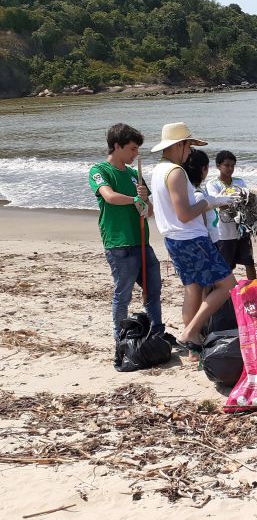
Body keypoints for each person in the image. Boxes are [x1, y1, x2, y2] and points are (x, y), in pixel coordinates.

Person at [149, 122, 237, 358]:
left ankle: (194, 350)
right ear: (178, 145)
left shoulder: (158, 170)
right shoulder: (175, 172)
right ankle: (190, 332)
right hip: (191, 239)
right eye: (188, 146)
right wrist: (209, 203)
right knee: (228, 285)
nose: (189, 152)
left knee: (193, 289)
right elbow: (185, 214)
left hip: (173, 239)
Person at [89, 123, 165, 344]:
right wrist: (135, 199)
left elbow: (149, 211)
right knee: (123, 294)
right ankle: (120, 338)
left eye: (137, 149)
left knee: (153, 290)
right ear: (117, 146)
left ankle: (156, 332)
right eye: (132, 149)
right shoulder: (100, 171)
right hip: (119, 243)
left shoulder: (134, 175)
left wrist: (145, 199)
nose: (136, 154)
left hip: (142, 241)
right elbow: (109, 196)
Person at [206, 150, 257, 280]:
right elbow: (218, 204)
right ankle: (226, 292)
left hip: (241, 230)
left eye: (232, 165)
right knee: (226, 267)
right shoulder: (213, 184)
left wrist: (238, 201)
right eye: (227, 165)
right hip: (223, 232)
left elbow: (248, 201)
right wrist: (237, 201)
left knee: (249, 263)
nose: (230, 168)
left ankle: (254, 291)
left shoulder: (239, 182)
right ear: (218, 166)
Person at [182, 148, 219, 245]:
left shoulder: (187, 189)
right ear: (204, 169)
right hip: (209, 240)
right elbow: (203, 224)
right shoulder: (198, 195)